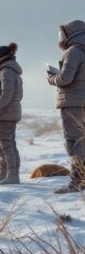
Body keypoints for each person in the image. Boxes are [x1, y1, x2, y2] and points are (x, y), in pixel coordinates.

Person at [47, 20, 85, 194]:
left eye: (62, 34)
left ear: (70, 33)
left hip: (73, 102)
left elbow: (65, 79)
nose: (61, 38)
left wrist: (51, 77)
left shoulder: (73, 51)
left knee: (75, 142)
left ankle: (76, 182)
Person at [0, 43, 23, 184]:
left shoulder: (6, 71)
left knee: (7, 146)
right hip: (2, 115)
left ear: (0, 57)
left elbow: (7, 93)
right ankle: (4, 173)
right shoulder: (4, 70)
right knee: (2, 146)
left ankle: (13, 176)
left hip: (4, 115)